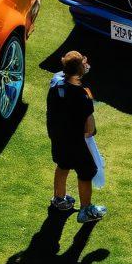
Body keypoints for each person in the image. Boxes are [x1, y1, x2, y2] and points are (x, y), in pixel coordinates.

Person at [46, 50, 107, 224]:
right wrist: (91, 132)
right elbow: (89, 128)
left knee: (63, 164)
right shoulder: (82, 95)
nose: (86, 63)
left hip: (57, 136)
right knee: (87, 172)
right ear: (79, 68)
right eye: (83, 62)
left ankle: (59, 199)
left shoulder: (55, 81)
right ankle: (86, 210)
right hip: (76, 141)